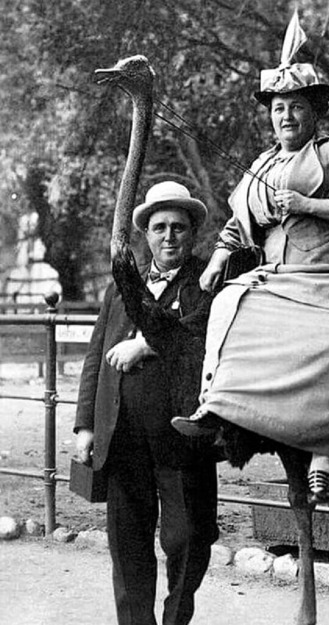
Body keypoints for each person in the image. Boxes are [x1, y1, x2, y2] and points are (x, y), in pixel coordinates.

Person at [172, 15, 329, 501]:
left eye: (295, 107)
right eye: (277, 109)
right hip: (278, 276)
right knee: (228, 305)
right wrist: (217, 259)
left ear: (314, 112)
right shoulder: (260, 166)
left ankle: (328, 450)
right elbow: (236, 224)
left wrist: (309, 205)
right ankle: (218, 410)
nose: (286, 116)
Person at [74, 181, 219, 625]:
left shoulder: (209, 284)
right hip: (123, 438)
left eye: (178, 226)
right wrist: (85, 427)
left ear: (193, 233)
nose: (169, 236)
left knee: (188, 539)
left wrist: (147, 346)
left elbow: (203, 334)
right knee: (128, 544)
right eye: (159, 227)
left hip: (182, 439)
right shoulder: (122, 288)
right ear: (146, 235)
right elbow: (96, 357)